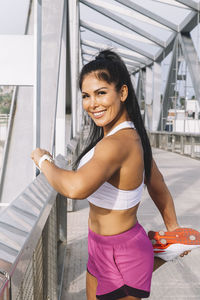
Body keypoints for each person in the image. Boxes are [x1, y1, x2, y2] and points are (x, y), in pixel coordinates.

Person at [31, 50, 196, 300]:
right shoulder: (129, 137)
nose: (92, 104)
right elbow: (157, 183)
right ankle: (163, 248)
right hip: (99, 246)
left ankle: (157, 252)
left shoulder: (118, 143)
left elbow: (76, 188)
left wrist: (43, 160)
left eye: (100, 93)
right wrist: (173, 227)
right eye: (86, 96)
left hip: (123, 254)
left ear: (122, 93)